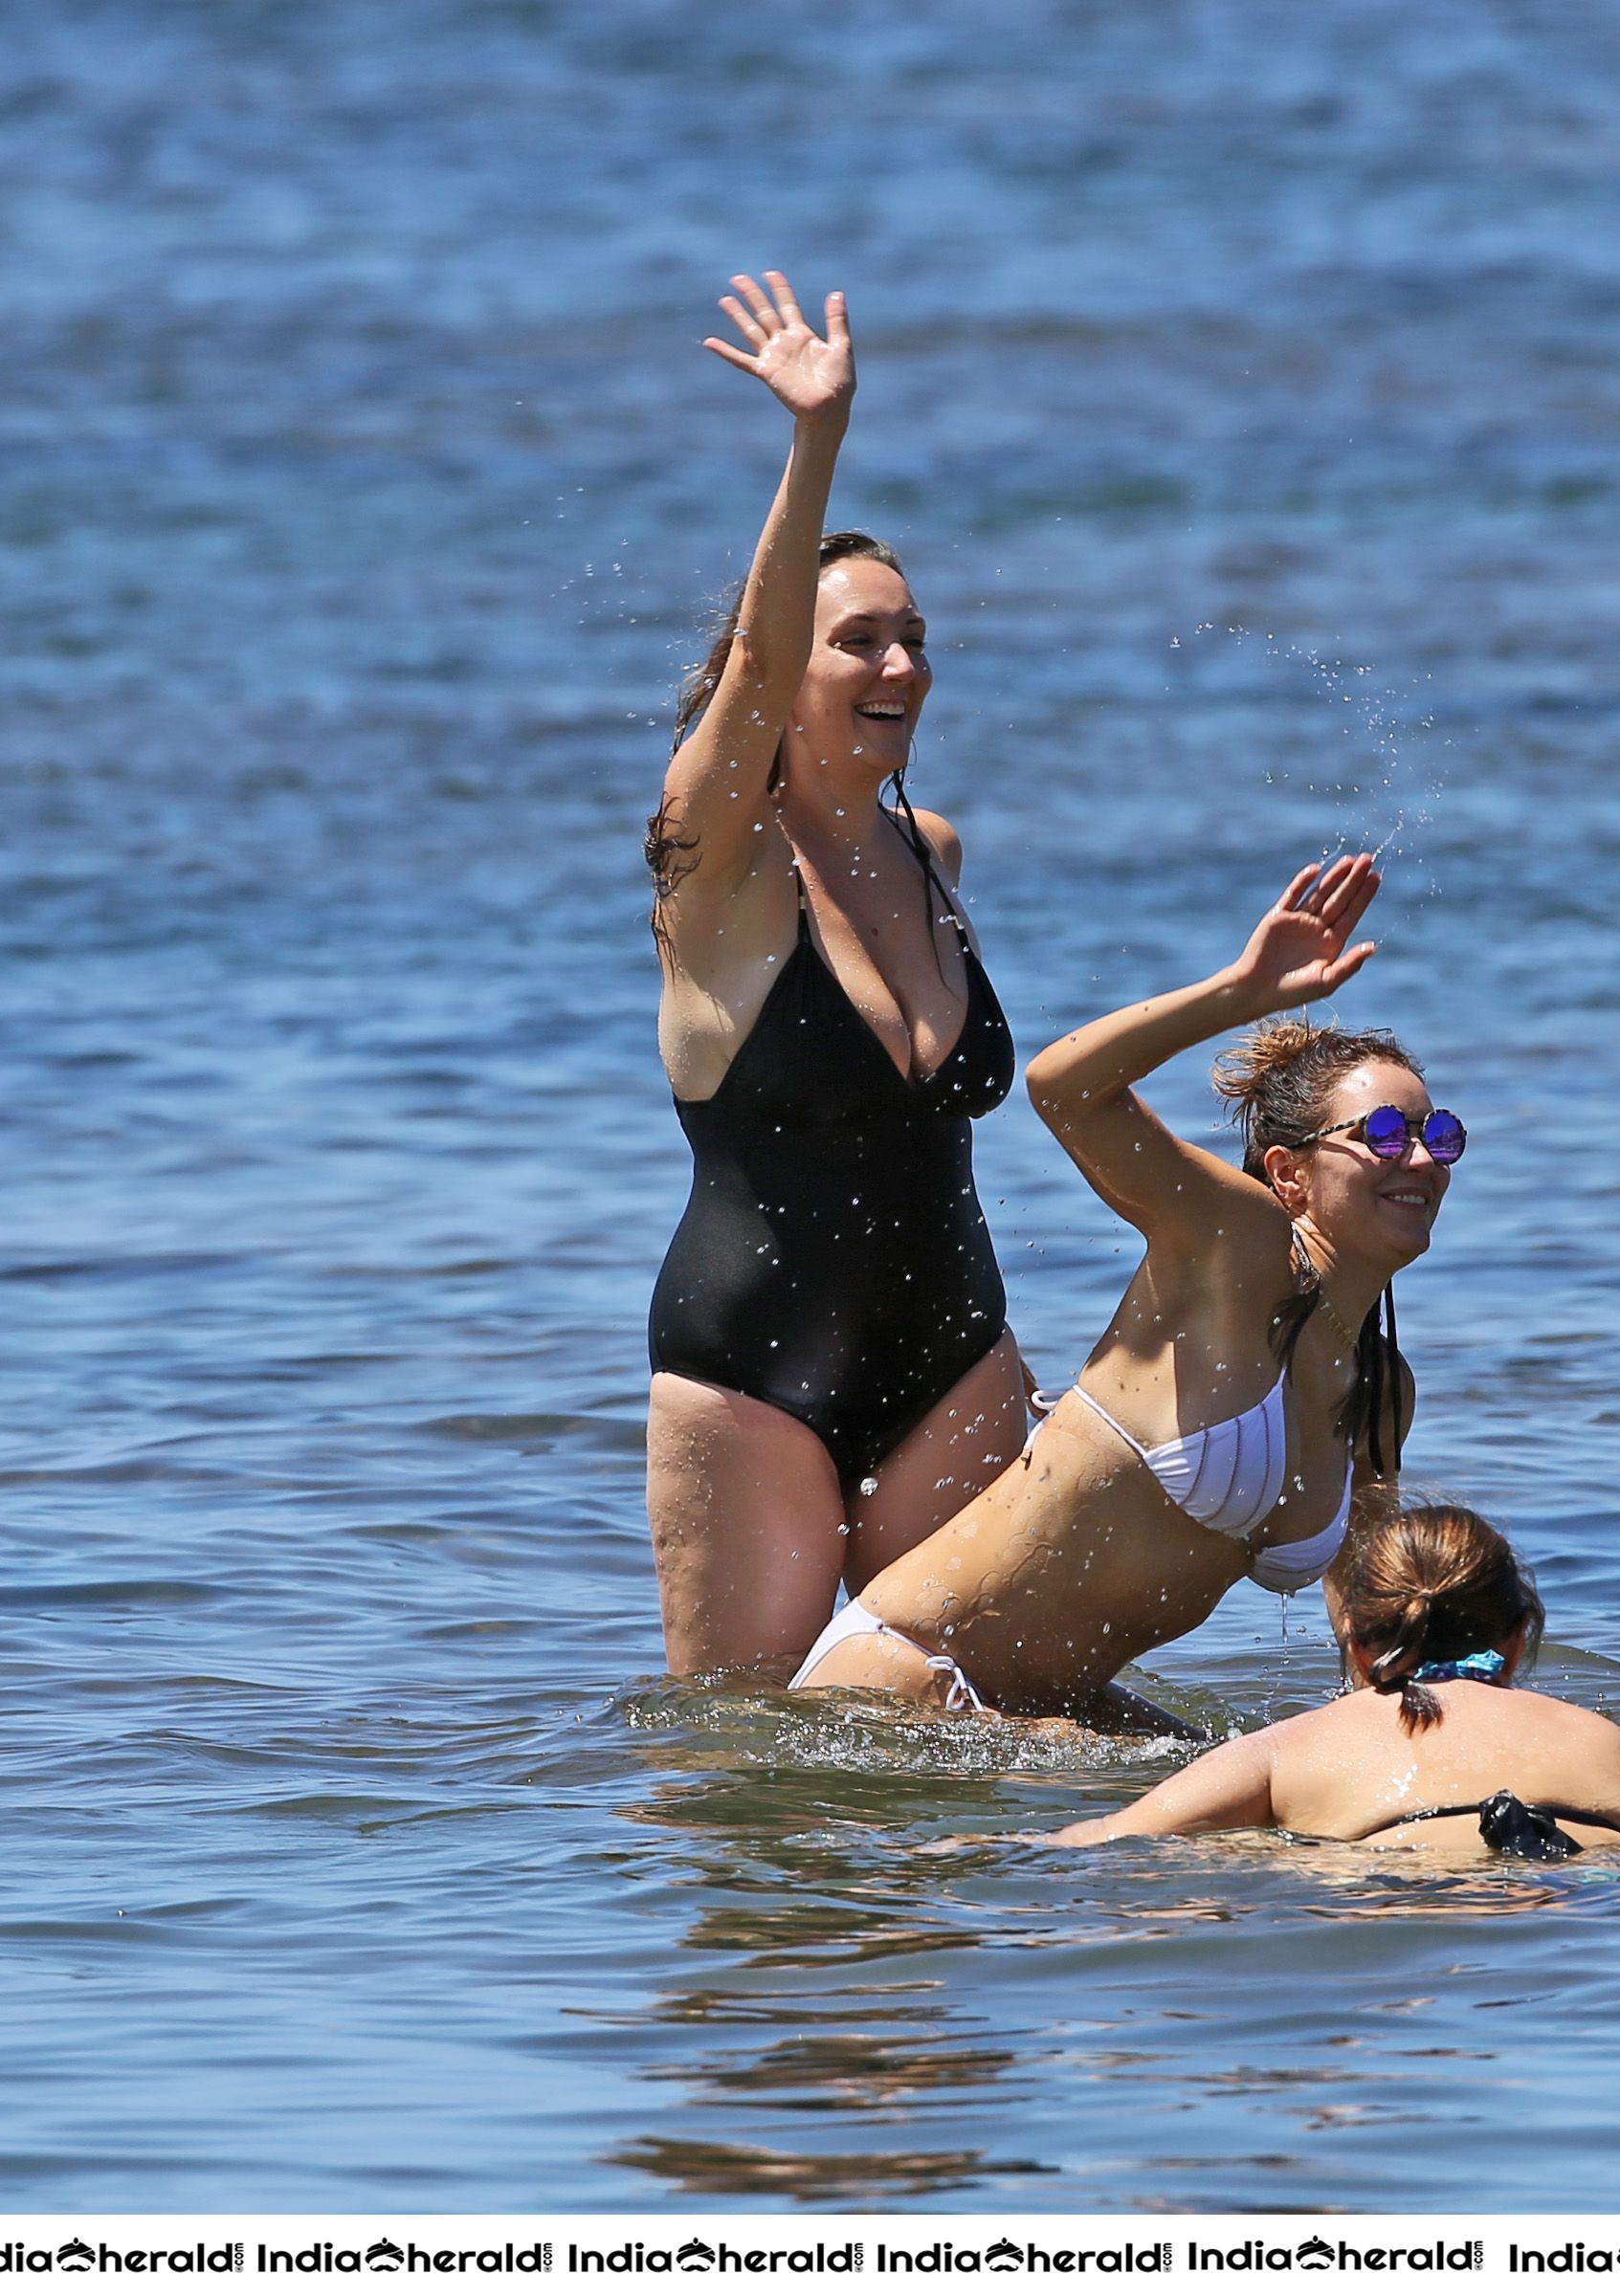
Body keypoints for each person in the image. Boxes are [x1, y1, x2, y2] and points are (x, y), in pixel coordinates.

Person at [792, 852, 1440, 1723]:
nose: (1424, 1158)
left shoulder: (1378, 1392)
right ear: (1288, 1176)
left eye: (1439, 1132)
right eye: (1388, 1133)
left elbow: (1367, 1617)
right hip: (909, 1683)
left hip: (1054, 1714)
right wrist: (1239, 993)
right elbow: (1066, 1086)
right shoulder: (1234, 1245)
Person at [645, 273, 1031, 1681]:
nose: (902, 662)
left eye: (915, 635)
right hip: (754, 1378)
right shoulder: (716, 870)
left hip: (960, 1356)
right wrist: (819, 440)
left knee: (977, 1745)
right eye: (861, 638)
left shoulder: (931, 850)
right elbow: (750, 667)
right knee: (757, 1771)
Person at [1054, 1503, 1620, 1853]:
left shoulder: (1288, 1748)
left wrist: (949, 1856)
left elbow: (1108, 1841)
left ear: (1356, 1646)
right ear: (1517, 1639)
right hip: (1594, 1887)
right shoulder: (1610, 1744)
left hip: (1396, 1873)